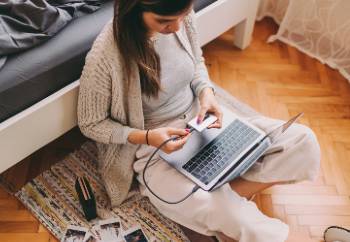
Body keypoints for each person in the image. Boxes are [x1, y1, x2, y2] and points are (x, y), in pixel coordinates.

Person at [77, 0, 321, 241]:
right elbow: (91, 123)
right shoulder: (106, 54)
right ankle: (227, 208)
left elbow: (196, 63)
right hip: (154, 150)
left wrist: (206, 94)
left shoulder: (182, 15)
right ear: (134, 9)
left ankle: (220, 208)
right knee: (224, 211)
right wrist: (149, 137)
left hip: (203, 124)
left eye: (180, 18)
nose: (175, 28)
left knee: (302, 141)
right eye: (164, 21)